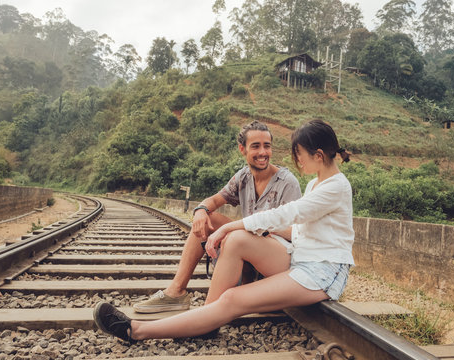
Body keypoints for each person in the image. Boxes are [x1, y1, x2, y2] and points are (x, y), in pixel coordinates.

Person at [93, 119, 354, 341]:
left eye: (299, 154)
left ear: (318, 155)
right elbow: (299, 230)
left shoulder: (336, 187)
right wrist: (244, 230)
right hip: (302, 260)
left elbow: (288, 214)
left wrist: (231, 226)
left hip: (322, 272)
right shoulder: (317, 184)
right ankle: (206, 319)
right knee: (238, 240)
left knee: (231, 299)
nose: (296, 161)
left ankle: (135, 330)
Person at [132, 120, 302, 313]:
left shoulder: (287, 183)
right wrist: (200, 211)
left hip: (275, 261)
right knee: (209, 219)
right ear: (242, 149)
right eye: (256, 146)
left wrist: (254, 226)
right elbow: (213, 200)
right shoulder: (243, 177)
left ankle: (209, 314)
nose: (263, 153)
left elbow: (297, 233)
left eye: (267, 146)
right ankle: (176, 291)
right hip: (247, 252)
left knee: (240, 235)